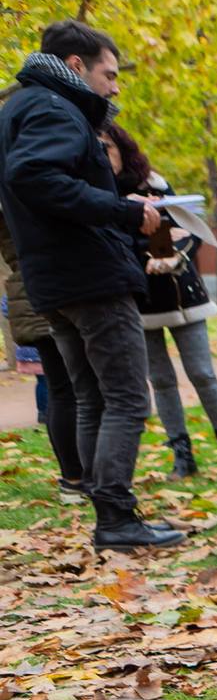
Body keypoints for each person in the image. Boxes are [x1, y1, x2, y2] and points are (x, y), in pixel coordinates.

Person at [0, 20, 181, 549]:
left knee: (91, 398)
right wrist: (121, 210)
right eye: (110, 73)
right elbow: (36, 178)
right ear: (76, 66)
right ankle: (117, 518)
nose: (116, 85)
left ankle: (111, 514)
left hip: (54, 279)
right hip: (89, 276)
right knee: (126, 397)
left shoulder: (20, 108)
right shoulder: (52, 108)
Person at [103, 123, 217, 480]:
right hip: (138, 299)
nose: (101, 155)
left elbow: (190, 230)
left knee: (202, 372)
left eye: (106, 147)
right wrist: (144, 250)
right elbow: (109, 245)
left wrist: (174, 249)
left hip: (182, 294)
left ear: (122, 147)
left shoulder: (155, 184)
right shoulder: (97, 193)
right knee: (160, 379)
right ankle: (182, 455)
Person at [0, 209, 85, 499]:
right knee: (75, 389)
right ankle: (83, 477)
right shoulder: (27, 178)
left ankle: (73, 480)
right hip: (55, 288)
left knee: (61, 389)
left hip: (30, 291)